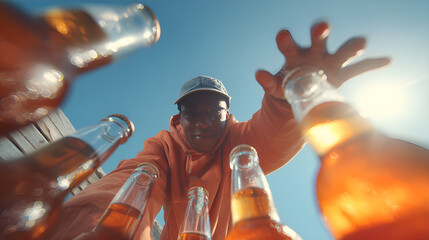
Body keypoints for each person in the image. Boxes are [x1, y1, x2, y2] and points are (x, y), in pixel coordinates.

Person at [48, 22, 390, 240]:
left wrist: (292, 97)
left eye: (213, 110)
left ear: (227, 115)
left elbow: (273, 131)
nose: (202, 121)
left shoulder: (240, 141)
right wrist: (87, 226)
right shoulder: (165, 146)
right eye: (191, 112)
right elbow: (130, 181)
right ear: (178, 117)